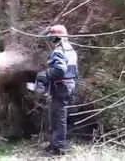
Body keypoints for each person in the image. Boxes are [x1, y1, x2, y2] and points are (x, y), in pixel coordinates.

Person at [35, 24, 78, 155]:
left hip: (61, 86)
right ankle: (54, 144)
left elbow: (60, 70)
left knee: (58, 117)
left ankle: (59, 148)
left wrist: (45, 74)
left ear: (56, 37)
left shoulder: (59, 51)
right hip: (68, 85)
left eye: (52, 37)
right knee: (57, 115)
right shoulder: (70, 49)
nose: (50, 40)